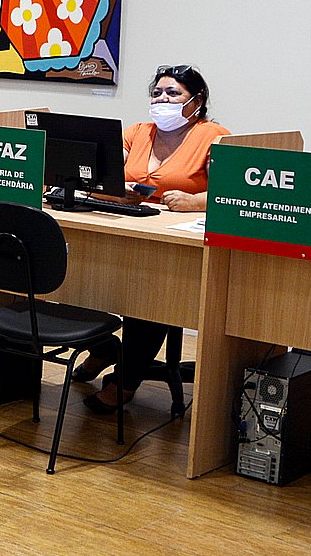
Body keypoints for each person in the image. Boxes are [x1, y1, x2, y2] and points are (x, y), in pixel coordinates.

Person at [78, 64, 230, 411]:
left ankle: (125, 382)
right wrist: (119, 191)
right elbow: (101, 178)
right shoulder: (137, 132)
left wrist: (194, 202)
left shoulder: (214, 136)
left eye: (173, 93)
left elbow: (231, 192)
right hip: (127, 230)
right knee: (78, 275)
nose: (163, 99)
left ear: (197, 100)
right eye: (157, 93)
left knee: (148, 298)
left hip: (178, 247)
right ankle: (103, 348)